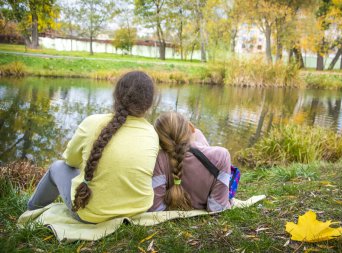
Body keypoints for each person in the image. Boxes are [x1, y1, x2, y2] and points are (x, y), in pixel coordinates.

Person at [27, 71, 159, 223]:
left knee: (58, 167)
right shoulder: (152, 133)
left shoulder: (91, 122)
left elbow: (70, 161)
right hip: (136, 212)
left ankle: (31, 209)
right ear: (149, 103)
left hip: (91, 214)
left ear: (116, 95)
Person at [149, 112, 231, 212]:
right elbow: (218, 207)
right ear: (191, 128)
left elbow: (156, 208)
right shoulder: (222, 156)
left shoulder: (159, 158)